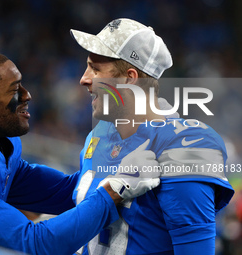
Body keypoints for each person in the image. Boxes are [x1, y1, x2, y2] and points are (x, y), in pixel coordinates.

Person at [0, 51, 160, 255]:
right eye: (15, 90)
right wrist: (114, 189)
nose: (28, 95)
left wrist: (115, 160)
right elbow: (34, 246)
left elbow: (66, 192)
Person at [70, 18, 235, 254]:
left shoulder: (186, 145)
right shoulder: (99, 133)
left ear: (129, 78)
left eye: (95, 69)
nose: (84, 79)